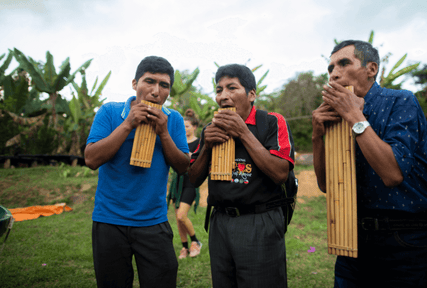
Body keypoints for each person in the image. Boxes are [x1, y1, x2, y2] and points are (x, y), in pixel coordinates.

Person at [311, 40, 427, 287]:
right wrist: (318, 134)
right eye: (330, 68)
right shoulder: (335, 118)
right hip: (353, 239)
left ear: (371, 69)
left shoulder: (401, 102)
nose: (334, 73)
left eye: (344, 63)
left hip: (405, 240)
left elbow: (392, 174)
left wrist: (354, 116)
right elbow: (327, 185)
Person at [85, 56, 190, 288]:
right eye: (149, 82)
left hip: (153, 221)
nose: (155, 91)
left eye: (164, 85)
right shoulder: (110, 112)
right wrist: (128, 124)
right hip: (109, 220)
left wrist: (163, 133)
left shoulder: (173, 120)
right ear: (135, 84)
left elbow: (183, 167)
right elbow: (91, 159)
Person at [188, 64, 295, 288]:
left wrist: (243, 133)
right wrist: (206, 146)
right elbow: (193, 179)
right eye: (219, 90)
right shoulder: (211, 128)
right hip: (220, 222)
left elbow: (280, 174)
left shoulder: (271, 122)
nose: (223, 96)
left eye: (232, 88)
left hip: (259, 221)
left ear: (251, 94)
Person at [167, 109, 202, 259]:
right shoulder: (177, 142)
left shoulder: (200, 143)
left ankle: (195, 241)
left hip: (190, 182)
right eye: (182, 126)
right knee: (177, 218)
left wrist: (189, 158)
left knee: (182, 215)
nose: (184, 128)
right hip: (177, 182)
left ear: (194, 127)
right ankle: (184, 247)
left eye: (187, 126)